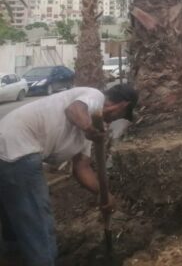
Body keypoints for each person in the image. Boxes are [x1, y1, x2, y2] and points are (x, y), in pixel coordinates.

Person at [0, 84, 138, 266]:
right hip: (17, 147)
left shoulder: (92, 130)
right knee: (38, 222)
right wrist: (89, 129)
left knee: (14, 211)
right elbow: (74, 110)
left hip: (10, 149)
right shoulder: (94, 96)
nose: (113, 121)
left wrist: (104, 195)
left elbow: (81, 168)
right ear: (120, 106)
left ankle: (14, 256)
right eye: (120, 116)